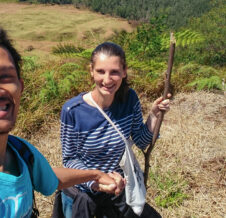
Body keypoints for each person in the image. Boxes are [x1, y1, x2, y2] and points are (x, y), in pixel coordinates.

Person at [0, 22, 122, 217]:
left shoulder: (22, 154)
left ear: (20, 87)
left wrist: (94, 175)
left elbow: (50, 180)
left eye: (5, 77)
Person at [60, 42, 171, 217]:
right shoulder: (73, 111)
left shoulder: (129, 99)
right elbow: (69, 159)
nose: (107, 80)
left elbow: (141, 141)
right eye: (100, 71)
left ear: (124, 71)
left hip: (118, 189)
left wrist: (154, 115)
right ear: (91, 71)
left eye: (114, 72)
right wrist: (96, 181)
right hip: (84, 193)